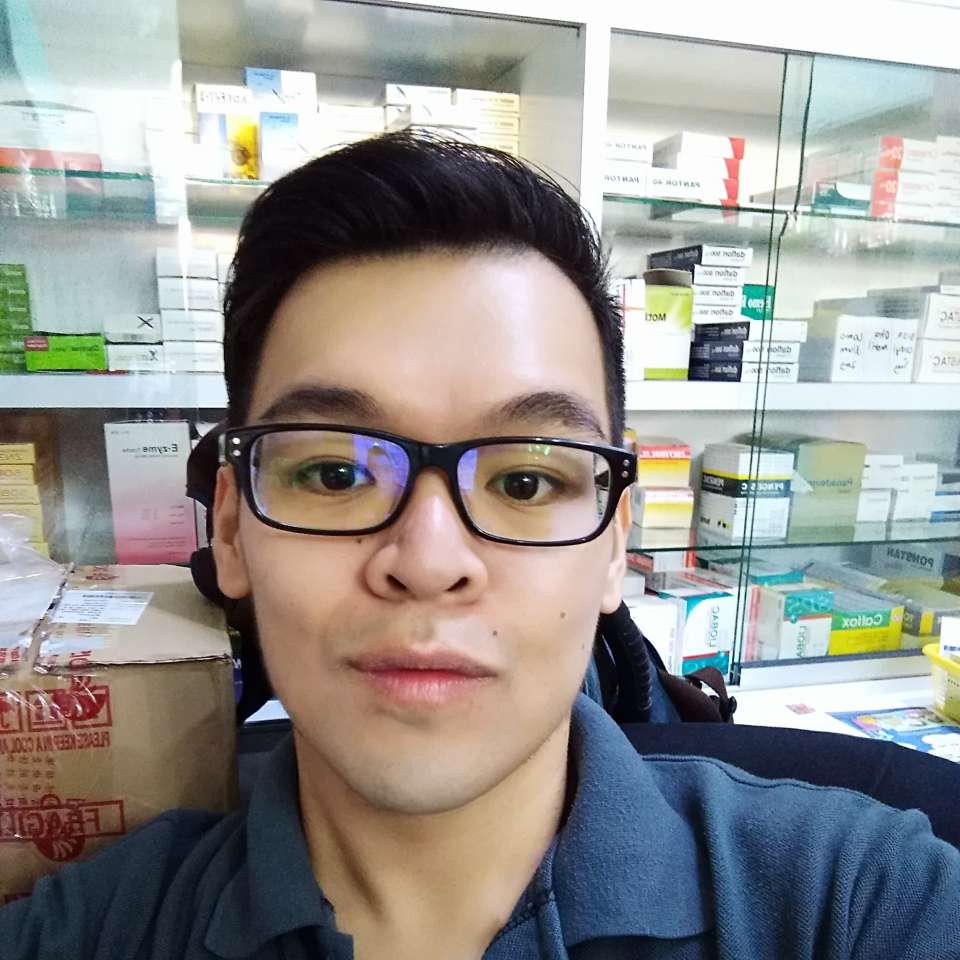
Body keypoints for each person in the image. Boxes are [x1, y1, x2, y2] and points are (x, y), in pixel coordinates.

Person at [2, 133, 958, 960]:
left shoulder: (858, 901)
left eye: (525, 481)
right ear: (230, 529)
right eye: (333, 474)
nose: (427, 561)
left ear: (614, 545)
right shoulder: (94, 928)